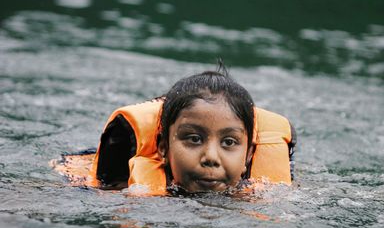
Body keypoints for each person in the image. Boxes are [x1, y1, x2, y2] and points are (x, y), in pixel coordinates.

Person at [84, 65, 296, 195]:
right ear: (164, 148)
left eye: (229, 142)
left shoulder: (275, 197)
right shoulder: (121, 191)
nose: (211, 157)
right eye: (194, 139)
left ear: (249, 154)